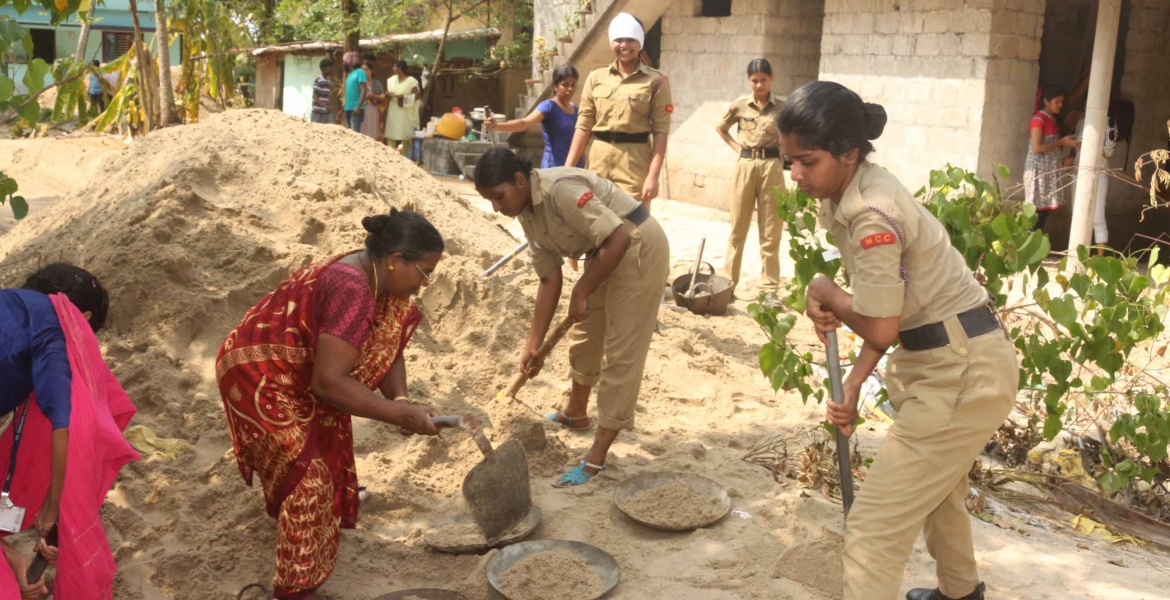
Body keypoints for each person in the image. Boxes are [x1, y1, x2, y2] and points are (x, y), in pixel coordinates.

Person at [779, 81, 1018, 600]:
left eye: (807, 161)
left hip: (961, 371)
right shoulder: (853, 188)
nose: (795, 174)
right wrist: (854, 387)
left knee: (871, 532)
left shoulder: (870, 214)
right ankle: (961, 593)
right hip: (951, 357)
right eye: (788, 162)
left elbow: (878, 324)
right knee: (940, 493)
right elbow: (890, 310)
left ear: (848, 153)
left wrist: (822, 289)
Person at [216, 210, 445, 600]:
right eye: (425, 272)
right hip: (260, 375)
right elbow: (328, 383)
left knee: (318, 449)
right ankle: (295, 590)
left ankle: (310, 523)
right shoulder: (353, 289)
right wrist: (399, 414)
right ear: (395, 260)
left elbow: (390, 345)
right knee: (310, 481)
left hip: (301, 372)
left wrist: (401, 400)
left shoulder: (379, 277)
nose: (426, 283)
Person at [474, 148, 670, 488]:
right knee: (586, 337)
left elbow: (619, 236)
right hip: (604, 254)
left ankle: (597, 457)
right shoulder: (526, 211)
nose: (496, 207)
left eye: (498, 196)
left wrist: (581, 292)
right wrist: (532, 344)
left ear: (519, 180)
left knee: (622, 353)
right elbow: (549, 279)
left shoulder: (558, 190)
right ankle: (575, 413)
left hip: (637, 246)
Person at [1, 264, 138, 599]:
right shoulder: (56, 329)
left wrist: (15, 560)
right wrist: (50, 509)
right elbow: (65, 424)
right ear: (82, 317)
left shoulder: (11, 305)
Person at [565, 12, 672, 210]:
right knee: (594, 221)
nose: (624, 45)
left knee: (632, 225)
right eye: (619, 40)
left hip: (634, 163)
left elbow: (660, 132)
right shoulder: (596, 77)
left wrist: (653, 176)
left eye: (630, 39)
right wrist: (567, 169)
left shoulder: (656, 81)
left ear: (640, 42)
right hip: (599, 159)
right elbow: (583, 125)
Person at [715, 58, 786, 305]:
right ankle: (728, 285)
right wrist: (738, 149)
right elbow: (721, 128)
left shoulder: (782, 108)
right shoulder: (739, 106)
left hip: (772, 168)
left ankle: (768, 289)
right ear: (749, 80)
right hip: (745, 167)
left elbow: (793, 133)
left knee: (771, 231)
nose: (759, 85)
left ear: (771, 79)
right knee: (738, 228)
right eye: (754, 80)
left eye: (763, 80)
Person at [486, 64, 584, 168]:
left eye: (573, 85)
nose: (570, 89)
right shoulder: (549, 107)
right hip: (553, 168)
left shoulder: (577, 110)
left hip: (576, 168)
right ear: (555, 86)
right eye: (565, 85)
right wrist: (497, 126)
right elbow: (524, 123)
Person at [1024, 85, 1078, 232]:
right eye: (1057, 102)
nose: (1060, 105)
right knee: (1036, 213)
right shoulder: (1038, 120)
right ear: (1046, 101)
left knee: (1043, 212)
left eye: (1062, 102)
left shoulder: (1052, 119)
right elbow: (1037, 148)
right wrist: (1062, 142)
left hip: (1047, 170)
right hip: (1038, 171)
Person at [1073, 112, 1119, 256]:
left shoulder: (1110, 122)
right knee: (1077, 215)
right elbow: (1076, 148)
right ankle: (1078, 256)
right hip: (1078, 172)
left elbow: (1109, 151)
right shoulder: (1081, 122)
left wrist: (1090, 145)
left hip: (1098, 173)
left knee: (1097, 217)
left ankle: (1100, 258)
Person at [383, 60, 421, 152]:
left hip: (405, 112)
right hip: (393, 111)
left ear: (400, 68)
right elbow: (387, 93)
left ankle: (405, 159)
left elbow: (418, 95)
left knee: (405, 135)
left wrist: (404, 98)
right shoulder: (391, 80)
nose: (393, 69)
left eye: (394, 67)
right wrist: (388, 94)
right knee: (391, 134)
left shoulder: (411, 81)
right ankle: (390, 157)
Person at [360, 60, 387, 141]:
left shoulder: (376, 83)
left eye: (366, 69)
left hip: (373, 111)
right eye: (362, 69)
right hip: (361, 110)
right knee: (362, 133)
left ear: (371, 71)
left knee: (373, 133)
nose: (364, 71)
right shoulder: (358, 83)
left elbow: (383, 97)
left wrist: (373, 96)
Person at [343, 60, 368, 133]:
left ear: (350, 62)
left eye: (345, 62)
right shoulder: (349, 75)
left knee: (355, 135)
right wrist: (342, 109)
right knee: (348, 135)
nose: (343, 64)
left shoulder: (360, 72)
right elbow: (348, 94)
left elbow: (364, 90)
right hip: (347, 109)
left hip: (356, 110)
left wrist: (358, 107)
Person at [310, 59, 334, 125]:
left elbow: (325, 97)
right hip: (317, 113)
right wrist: (325, 106)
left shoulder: (328, 81)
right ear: (324, 68)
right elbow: (315, 97)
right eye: (330, 68)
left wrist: (328, 105)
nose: (331, 70)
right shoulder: (319, 81)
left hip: (326, 112)